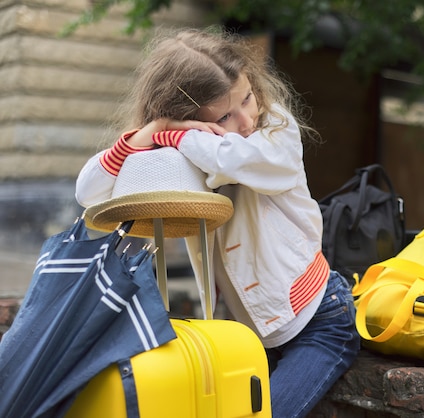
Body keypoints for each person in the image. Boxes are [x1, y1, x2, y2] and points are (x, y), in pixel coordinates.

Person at [75, 27, 360, 417]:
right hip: (250, 337)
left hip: (318, 322)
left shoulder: (275, 132)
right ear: (188, 118)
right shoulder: (185, 145)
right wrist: (153, 132)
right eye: (225, 114)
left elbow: (237, 160)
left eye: (248, 97)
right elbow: (90, 191)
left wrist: (180, 138)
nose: (245, 120)